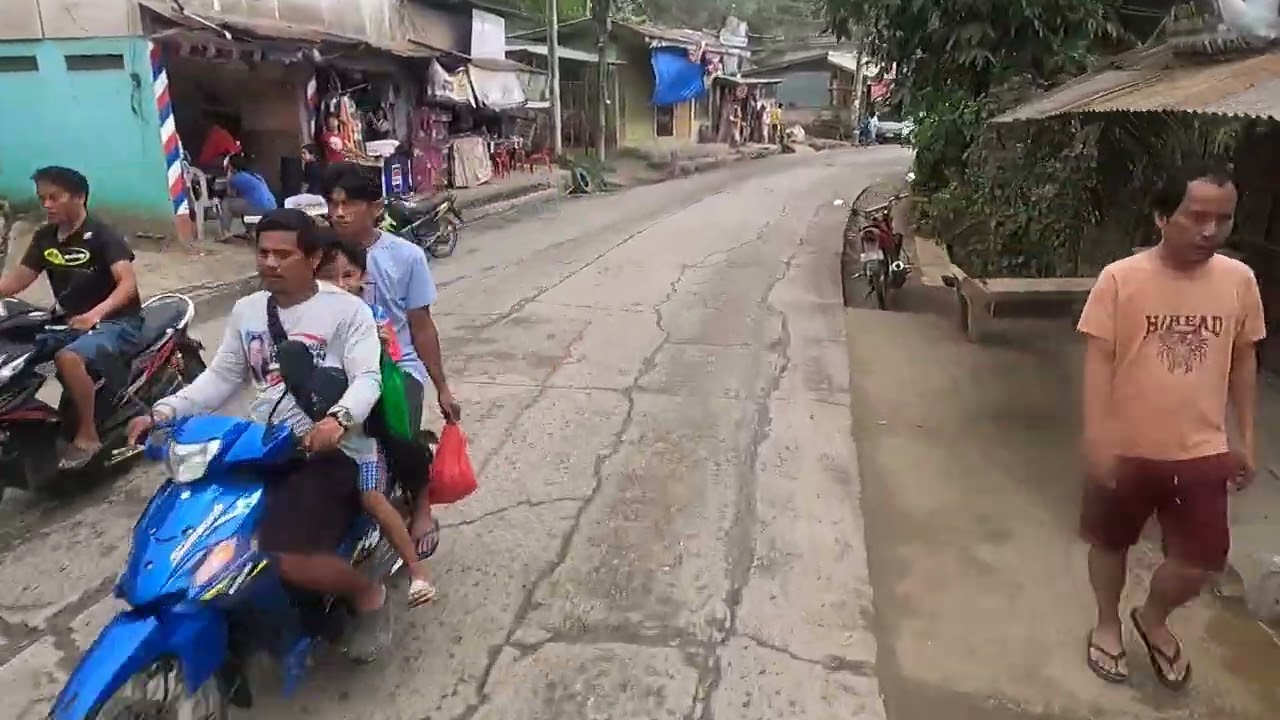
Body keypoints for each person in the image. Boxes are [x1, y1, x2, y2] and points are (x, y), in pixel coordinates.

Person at [126, 208, 394, 661]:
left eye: (282, 254)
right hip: (259, 444)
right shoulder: (247, 310)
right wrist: (163, 412)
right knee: (198, 527)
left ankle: (367, 596)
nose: (269, 262)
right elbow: (222, 376)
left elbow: (367, 378)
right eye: (263, 252)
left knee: (287, 553)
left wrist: (338, 419)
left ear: (313, 259)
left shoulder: (347, 311)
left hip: (327, 450)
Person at [1078, 161, 1264, 691]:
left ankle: (1153, 616)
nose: (1210, 230)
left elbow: (1244, 358)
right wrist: (1096, 436)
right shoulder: (1120, 279)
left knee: (1202, 559)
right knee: (1110, 543)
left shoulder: (1238, 280)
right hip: (1126, 445)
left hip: (1201, 448)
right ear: (1162, 217)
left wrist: (1246, 439)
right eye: (1196, 216)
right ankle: (1107, 622)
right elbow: (1098, 360)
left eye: (1223, 220)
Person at [322, 163, 459, 559]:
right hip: (336, 366)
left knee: (396, 432)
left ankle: (420, 504)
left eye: (348, 204)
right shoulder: (318, 255)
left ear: (375, 207)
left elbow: (421, 327)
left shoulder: (406, 257)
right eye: (332, 204)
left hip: (399, 367)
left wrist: (442, 387)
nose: (338, 213)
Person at [315, 236, 437, 606]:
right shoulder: (304, 319)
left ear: (363, 277)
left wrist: (381, 345)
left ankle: (418, 568)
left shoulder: (372, 320)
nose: (339, 284)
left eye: (348, 275)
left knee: (376, 488)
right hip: (317, 426)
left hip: (364, 424)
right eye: (328, 276)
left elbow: (386, 366)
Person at [0, 166, 143, 469]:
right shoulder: (45, 238)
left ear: (79, 197)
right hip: (69, 321)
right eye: (43, 199)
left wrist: (95, 314)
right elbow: (15, 283)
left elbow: (127, 285)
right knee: (14, 348)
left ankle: (88, 434)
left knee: (68, 358)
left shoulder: (103, 235)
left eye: (54, 197)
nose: (47, 205)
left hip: (118, 322)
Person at [222, 154, 278, 242]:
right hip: (272, 205)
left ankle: (226, 233)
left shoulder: (236, 177)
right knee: (245, 203)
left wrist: (228, 178)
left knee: (226, 203)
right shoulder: (255, 175)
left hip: (260, 208)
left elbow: (230, 194)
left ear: (231, 166)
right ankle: (250, 231)